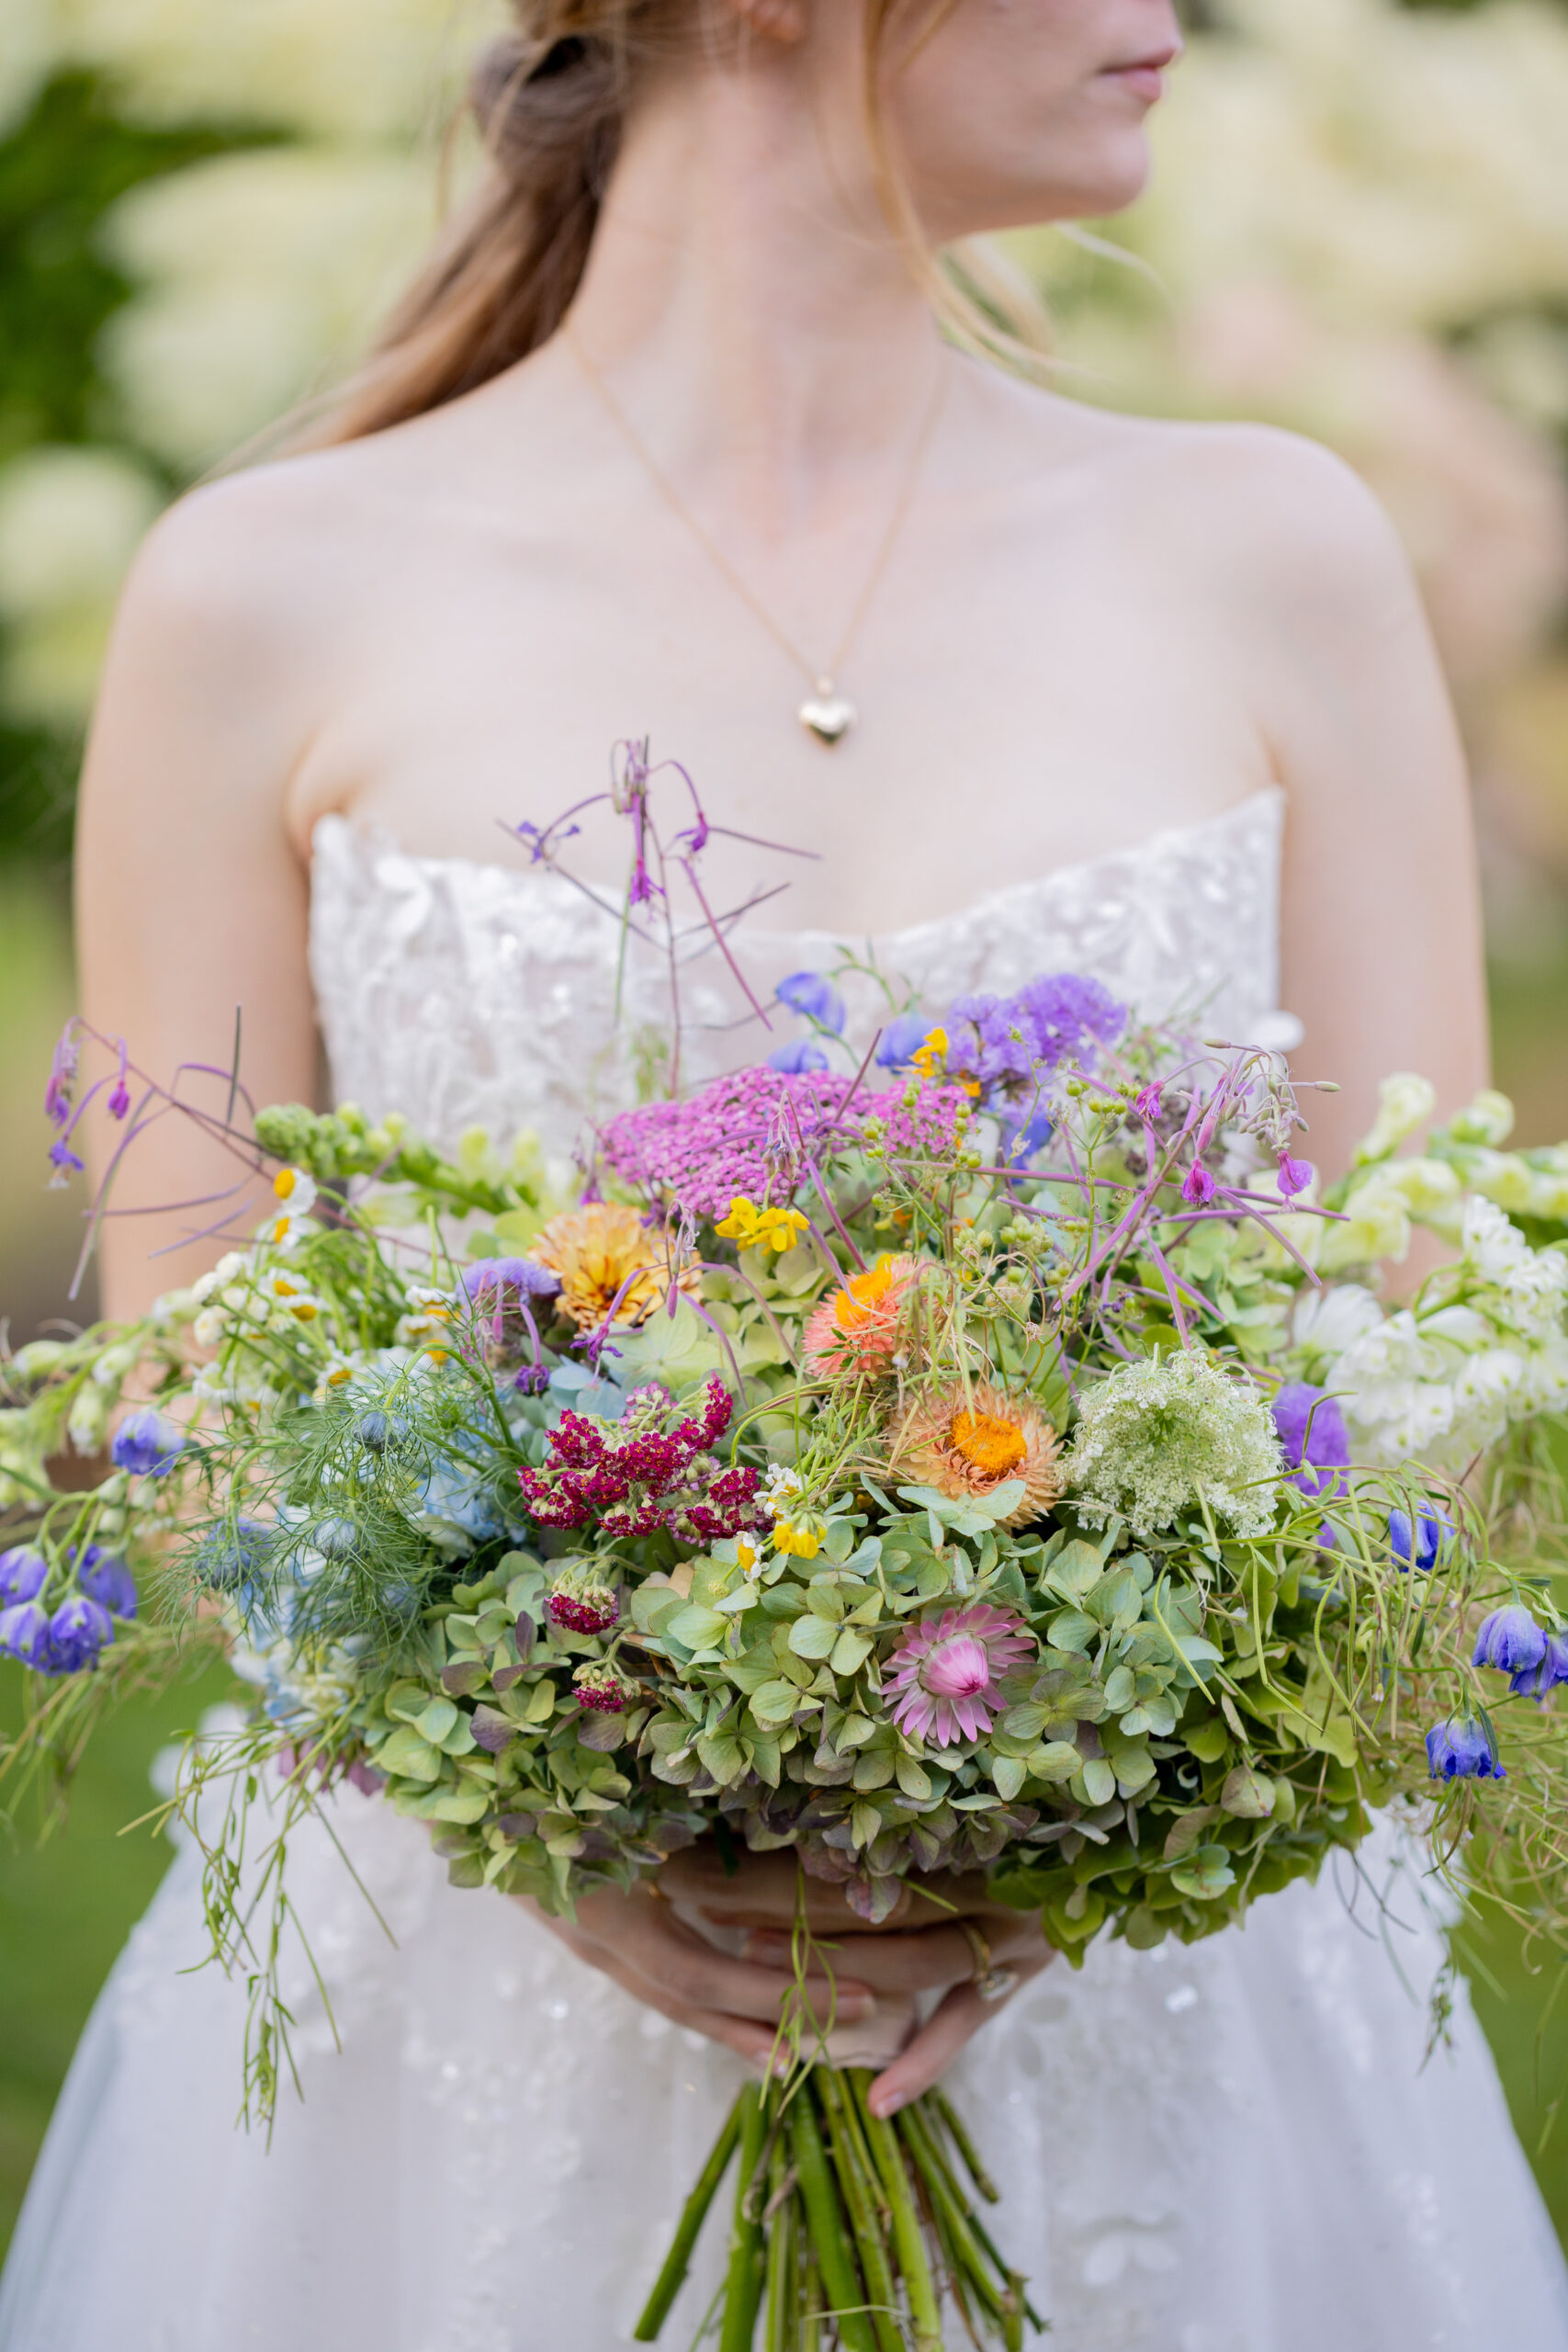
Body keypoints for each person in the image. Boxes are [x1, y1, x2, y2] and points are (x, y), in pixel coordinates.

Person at [4, 2, 1565, 2346]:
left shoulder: (1270, 549)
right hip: (455, 2024)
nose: (1166, 17)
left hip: (1159, 2015)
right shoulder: (263, 595)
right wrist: (554, 1841)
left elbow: (1423, 1331)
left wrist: (1086, 1827)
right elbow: (192, 1379)